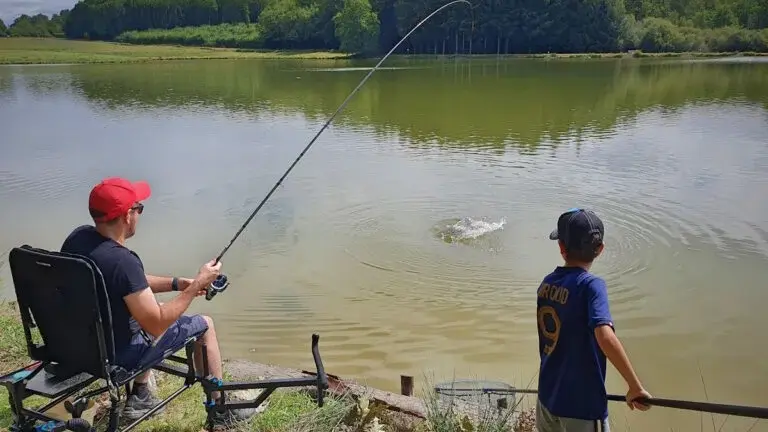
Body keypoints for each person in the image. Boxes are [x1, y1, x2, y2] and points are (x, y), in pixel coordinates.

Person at [60, 177, 237, 427]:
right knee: (204, 324)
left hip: (76, 346)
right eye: (139, 208)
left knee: (146, 308)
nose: (140, 214)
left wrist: (177, 284)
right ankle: (220, 411)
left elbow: (130, 283)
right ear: (126, 216)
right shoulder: (123, 261)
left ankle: (141, 394)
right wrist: (198, 284)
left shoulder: (78, 239)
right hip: (115, 356)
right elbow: (157, 324)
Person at [535, 208, 652, 432]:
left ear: (561, 248)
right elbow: (605, 336)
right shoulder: (592, 286)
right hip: (581, 407)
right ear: (600, 249)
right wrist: (634, 387)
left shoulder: (546, 284)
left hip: (547, 398)